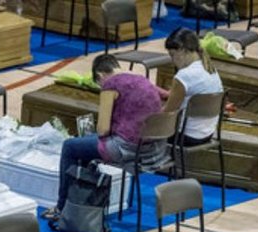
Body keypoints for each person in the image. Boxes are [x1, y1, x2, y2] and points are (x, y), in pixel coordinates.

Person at [42, 54, 164, 220]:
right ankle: (83, 203)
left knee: (70, 146)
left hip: (124, 148)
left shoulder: (110, 84)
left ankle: (62, 207)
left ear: (100, 76)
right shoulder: (142, 78)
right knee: (84, 147)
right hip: (152, 147)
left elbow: (103, 130)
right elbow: (167, 96)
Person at [162, 27, 223, 146]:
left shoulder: (184, 76)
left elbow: (168, 113)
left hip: (185, 136)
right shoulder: (210, 68)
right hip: (208, 133)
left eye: (172, 55)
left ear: (182, 50)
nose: (172, 61)